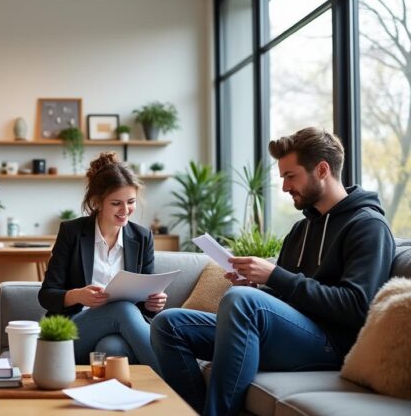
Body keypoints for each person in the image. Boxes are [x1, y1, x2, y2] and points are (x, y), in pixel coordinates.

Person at [151, 127, 395, 416]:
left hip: (332, 345)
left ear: (322, 170)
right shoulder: (301, 229)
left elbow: (357, 306)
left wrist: (272, 277)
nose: (285, 187)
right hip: (290, 333)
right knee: (169, 324)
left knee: (243, 301)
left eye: (291, 176)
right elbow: (286, 295)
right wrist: (257, 288)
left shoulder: (367, 226)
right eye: (283, 178)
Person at [38, 152, 165, 373]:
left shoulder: (142, 237)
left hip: (116, 331)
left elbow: (143, 306)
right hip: (74, 329)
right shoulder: (72, 232)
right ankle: (176, 384)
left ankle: (109, 395)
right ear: (97, 202)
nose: (125, 210)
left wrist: (152, 303)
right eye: (116, 203)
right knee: (122, 309)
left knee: (111, 348)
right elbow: (46, 295)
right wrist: (78, 295)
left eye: (131, 202)